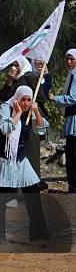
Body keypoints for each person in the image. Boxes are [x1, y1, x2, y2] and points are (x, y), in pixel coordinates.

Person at [0, 86, 49, 243]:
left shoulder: (31, 111)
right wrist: (17, 113)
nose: (25, 103)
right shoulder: (5, 108)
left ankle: (39, 233)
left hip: (19, 157)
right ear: (16, 98)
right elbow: (5, 128)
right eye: (22, 99)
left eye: (28, 100)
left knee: (33, 192)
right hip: (1, 158)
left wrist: (36, 111)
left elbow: (41, 130)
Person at [49, 49, 76, 193]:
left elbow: (73, 98)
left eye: (71, 59)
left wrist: (56, 99)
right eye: (67, 59)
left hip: (74, 120)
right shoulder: (72, 74)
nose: (69, 62)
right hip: (71, 118)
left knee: (73, 155)